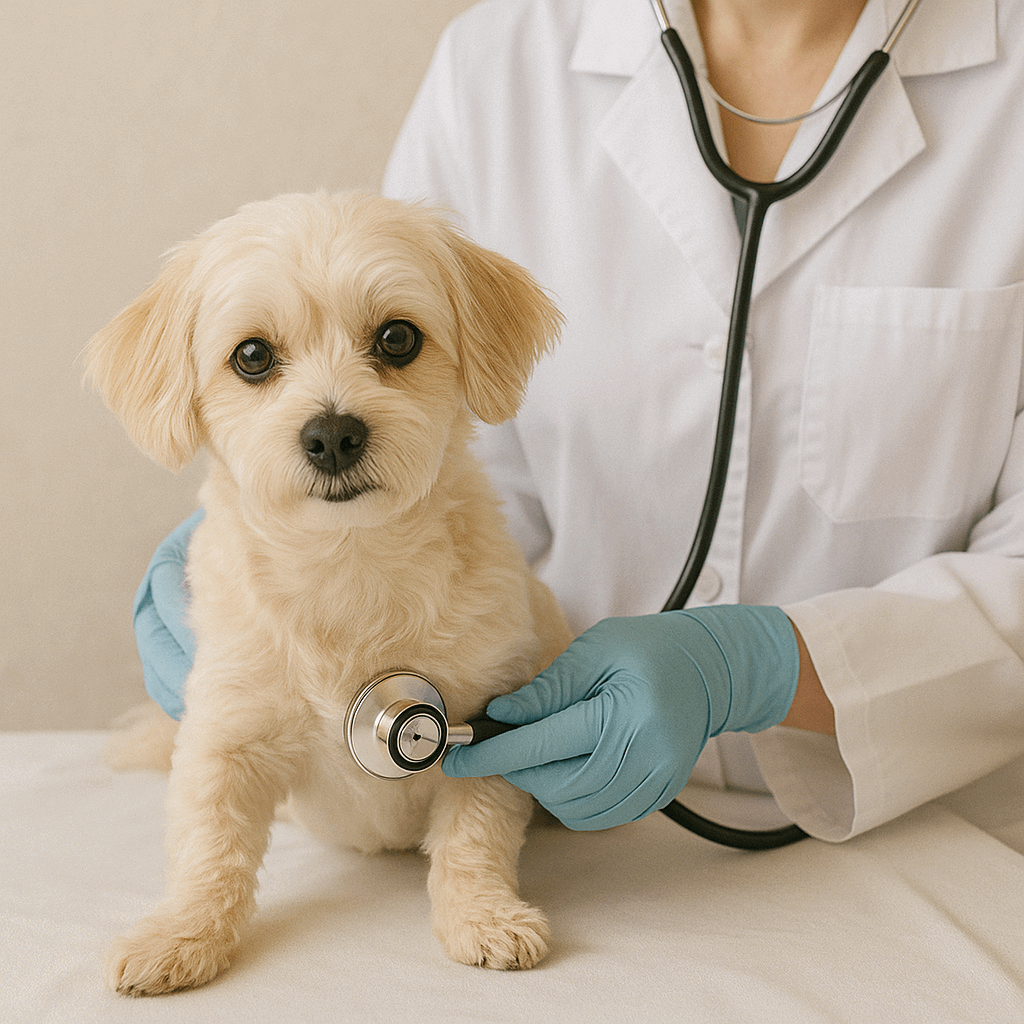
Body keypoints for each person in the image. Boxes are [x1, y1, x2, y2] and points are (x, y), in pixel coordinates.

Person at [134, 0, 1024, 841]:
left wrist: (769, 668)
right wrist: (285, 588)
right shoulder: (497, 67)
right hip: (558, 819)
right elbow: (452, 451)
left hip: (943, 831)